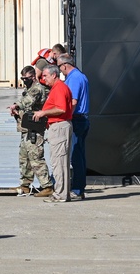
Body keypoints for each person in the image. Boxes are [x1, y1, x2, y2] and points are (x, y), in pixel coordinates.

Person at [9, 65, 53, 197]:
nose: (24, 80)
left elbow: (27, 101)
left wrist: (16, 105)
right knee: (24, 157)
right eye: (22, 78)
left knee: (35, 157)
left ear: (33, 77)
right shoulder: (28, 88)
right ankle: (25, 184)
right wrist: (17, 111)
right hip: (26, 128)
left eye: (26, 78)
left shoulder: (37, 89)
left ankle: (47, 186)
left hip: (34, 129)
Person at [33, 64, 73, 203]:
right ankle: (63, 193)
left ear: (54, 75)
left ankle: (60, 195)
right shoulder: (58, 88)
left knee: (58, 162)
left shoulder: (59, 89)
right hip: (59, 126)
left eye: (46, 76)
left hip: (59, 127)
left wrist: (43, 112)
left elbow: (61, 109)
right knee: (60, 162)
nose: (44, 79)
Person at [58, 53, 90, 200]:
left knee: (75, 156)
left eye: (59, 67)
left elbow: (73, 101)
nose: (60, 70)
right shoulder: (79, 76)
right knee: (79, 155)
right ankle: (79, 188)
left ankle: (77, 189)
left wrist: (66, 118)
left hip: (76, 120)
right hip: (81, 119)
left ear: (65, 65)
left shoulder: (74, 78)